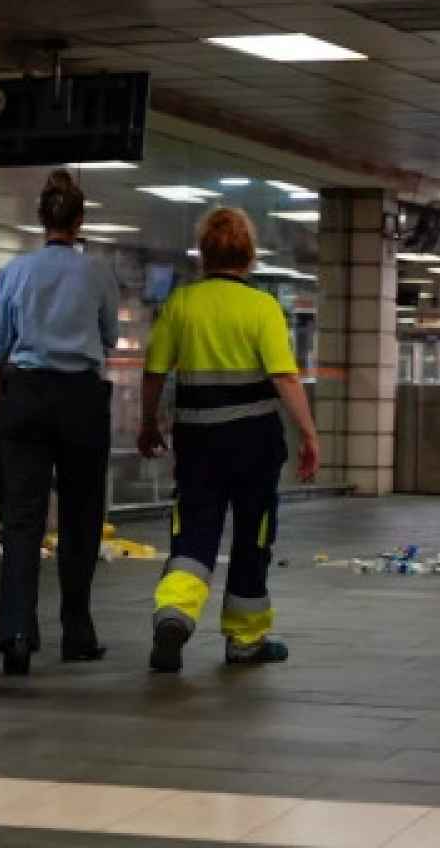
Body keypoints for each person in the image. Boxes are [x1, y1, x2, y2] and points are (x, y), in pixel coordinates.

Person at [137, 206, 319, 674]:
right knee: (252, 537)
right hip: (254, 442)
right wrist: (308, 433)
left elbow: (154, 372)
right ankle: (245, 639)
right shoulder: (262, 308)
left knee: (194, 530)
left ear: (204, 254)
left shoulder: (181, 304)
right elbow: (285, 378)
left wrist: (147, 422)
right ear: (250, 256)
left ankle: (174, 615)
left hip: (197, 440)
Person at [0, 170, 120, 676]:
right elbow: (108, 337)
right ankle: (78, 631)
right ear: (80, 220)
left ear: (41, 219)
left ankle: (17, 634)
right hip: (82, 398)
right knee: (81, 517)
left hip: (26, 394)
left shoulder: (14, 272)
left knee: (22, 519)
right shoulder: (99, 273)